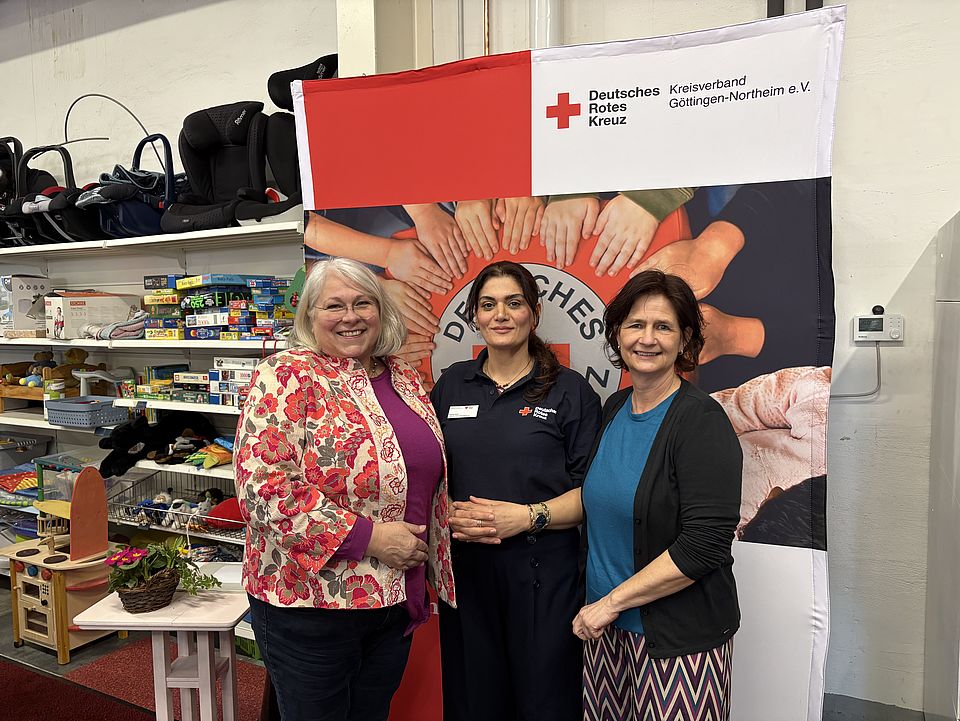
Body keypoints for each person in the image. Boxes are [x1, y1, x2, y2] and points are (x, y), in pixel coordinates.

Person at [234, 257, 456, 721]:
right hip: (311, 605)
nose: (351, 316)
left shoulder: (405, 378)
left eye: (363, 303)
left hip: (392, 599)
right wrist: (374, 538)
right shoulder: (286, 375)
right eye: (334, 305)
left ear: (382, 311)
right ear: (311, 316)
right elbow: (264, 490)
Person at [430, 260, 601, 721]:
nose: (501, 314)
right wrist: (442, 515)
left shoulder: (570, 392)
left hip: (543, 575)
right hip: (466, 575)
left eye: (513, 303)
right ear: (475, 316)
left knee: (543, 701)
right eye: (488, 305)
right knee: (473, 700)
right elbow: (424, 472)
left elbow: (592, 494)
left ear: (535, 312)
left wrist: (525, 516)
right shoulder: (450, 385)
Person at [574, 270, 742, 721]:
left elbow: (703, 547)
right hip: (606, 635)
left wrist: (609, 604)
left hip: (675, 641)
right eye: (636, 325)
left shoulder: (701, 422)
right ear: (617, 333)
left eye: (663, 327)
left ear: (685, 339)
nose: (647, 339)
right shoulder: (613, 409)